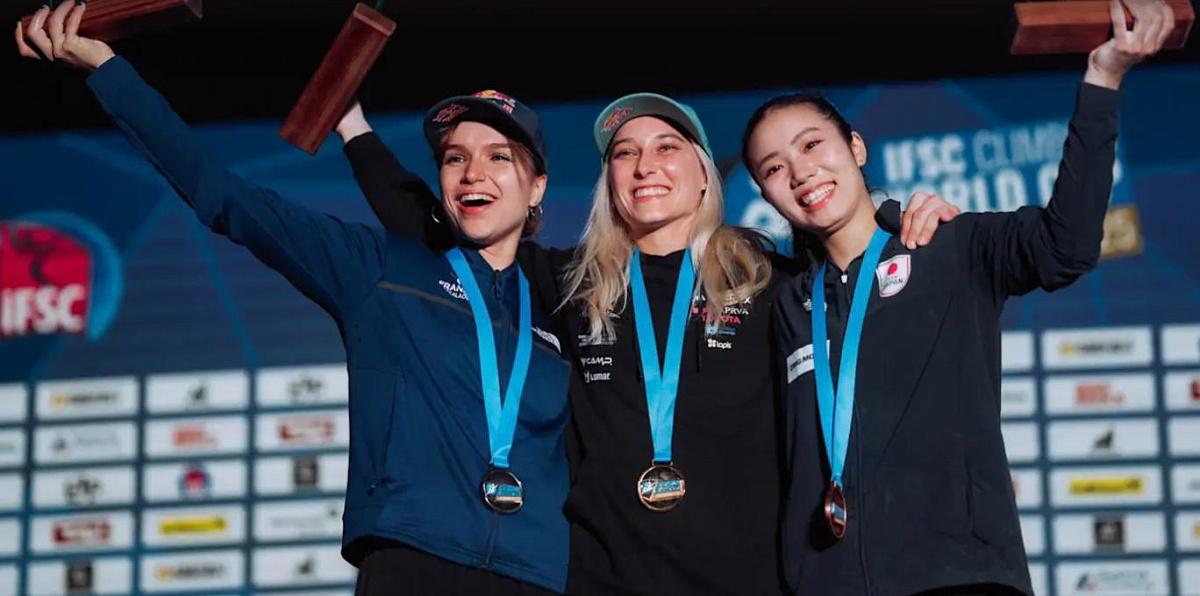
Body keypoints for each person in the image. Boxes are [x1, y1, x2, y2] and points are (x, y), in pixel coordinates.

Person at [16, 4, 576, 594]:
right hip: (414, 562)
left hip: (539, 576)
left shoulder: (566, 303)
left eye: (498, 158)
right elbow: (225, 195)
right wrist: (106, 67)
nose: (472, 173)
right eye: (455, 158)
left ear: (537, 186)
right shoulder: (380, 269)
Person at [336, 91, 957, 593]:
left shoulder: (768, 277)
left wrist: (899, 217)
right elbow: (433, 223)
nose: (644, 164)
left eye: (666, 146)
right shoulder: (566, 281)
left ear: (704, 170)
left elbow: (846, 245)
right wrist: (354, 128)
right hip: (603, 582)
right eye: (624, 153)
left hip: (748, 581)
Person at [739, 1, 1173, 593]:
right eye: (774, 167)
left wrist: (1103, 80)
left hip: (958, 578)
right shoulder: (783, 302)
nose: (801, 172)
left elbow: (1066, 246)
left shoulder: (949, 244)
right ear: (767, 193)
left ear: (856, 147)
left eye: (812, 145)